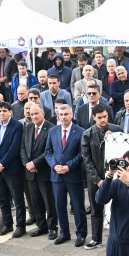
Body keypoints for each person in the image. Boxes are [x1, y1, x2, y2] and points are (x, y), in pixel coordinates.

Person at [45, 102, 87, 246]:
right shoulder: (53, 131)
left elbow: (82, 153)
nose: (63, 117)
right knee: (59, 205)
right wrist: (54, 165)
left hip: (73, 175)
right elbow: (48, 152)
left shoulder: (80, 131)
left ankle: (81, 234)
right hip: (57, 175)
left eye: (66, 114)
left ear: (72, 115)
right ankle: (64, 233)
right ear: (58, 115)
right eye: (61, 115)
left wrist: (68, 166)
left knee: (77, 206)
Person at [0, 102, 26, 236]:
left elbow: (14, 148)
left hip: (11, 168)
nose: (2, 113)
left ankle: (21, 226)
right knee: (2, 198)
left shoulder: (17, 126)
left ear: (10, 112)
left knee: (17, 198)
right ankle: (7, 224)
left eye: (4, 111)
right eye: (0, 111)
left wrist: (2, 162)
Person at [20, 103, 55, 239]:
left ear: (43, 114)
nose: (33, 116)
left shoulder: (51, 129)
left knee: (49, 202)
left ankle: (53, 227)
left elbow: (49, 150)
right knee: (35, 201)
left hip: (44, 172)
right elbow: (22, 147)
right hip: (30, 172)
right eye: (31, 114)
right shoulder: (28, 128)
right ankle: (41, 226)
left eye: (36, 114)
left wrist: (35, 163)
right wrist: (26, 164)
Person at [79, 105, 111, 250]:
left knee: (117, 208)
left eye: (105, 116)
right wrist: (97, 180)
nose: (103, 120)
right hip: (95, 179)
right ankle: (95, 238)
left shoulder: (115, 130)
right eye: (99, 117)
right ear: (93, 118)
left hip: (114, 176)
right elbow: (87, 160)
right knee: (96, 209)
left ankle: (116, 237)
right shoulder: (87, 134)